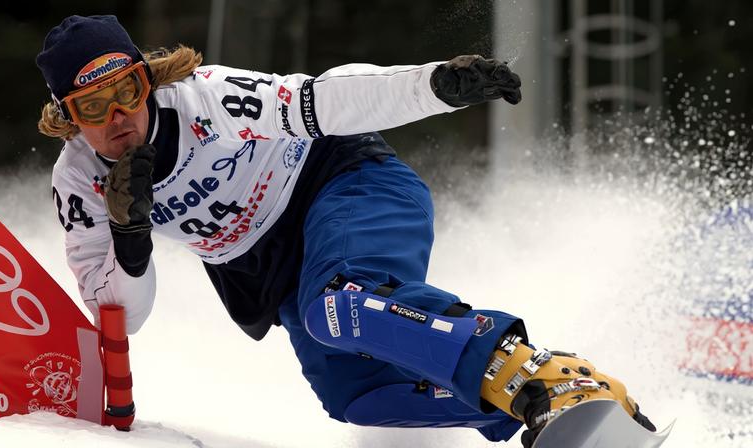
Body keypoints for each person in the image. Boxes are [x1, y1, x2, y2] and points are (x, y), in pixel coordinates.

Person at [37, 15, 654, 446]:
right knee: (355, 397)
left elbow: (325, 100)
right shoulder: (80, 183)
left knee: (340, 305)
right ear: (68, 117)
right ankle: (528, 407)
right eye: (93, 107)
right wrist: (130, 239)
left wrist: (433, 86)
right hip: (275, 270)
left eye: (128, 91)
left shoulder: (207, 99)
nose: (119, 117)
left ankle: (543, 379)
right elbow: (124, 317)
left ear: (148, 80)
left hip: (344, 184)